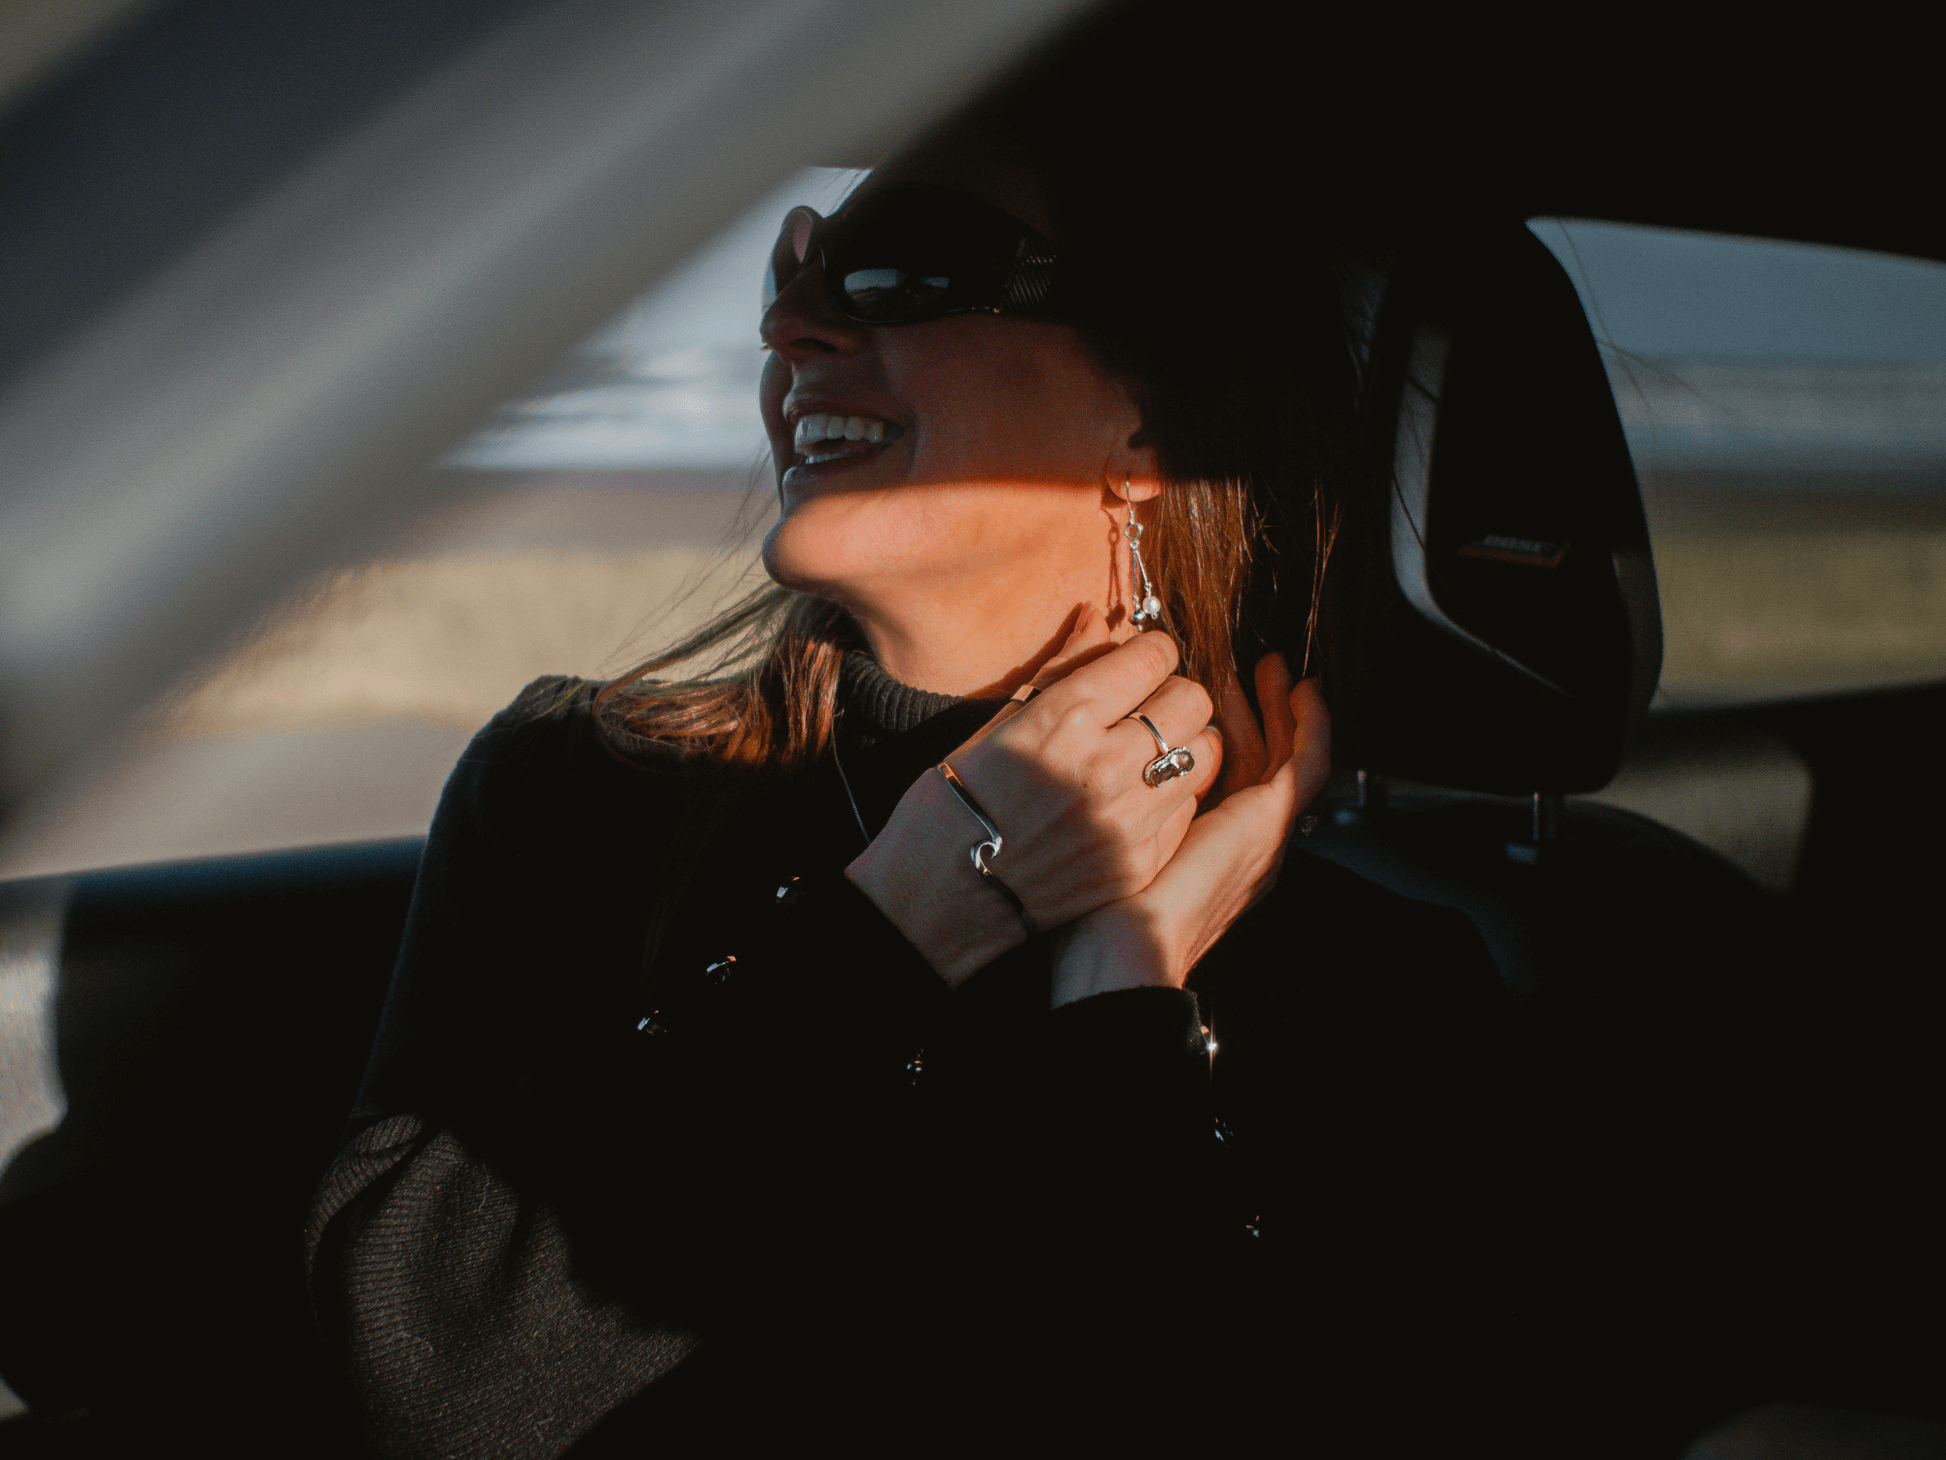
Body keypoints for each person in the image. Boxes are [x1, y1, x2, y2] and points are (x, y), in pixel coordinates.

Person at [303, 55, 1518, 1459]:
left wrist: (1122, 990)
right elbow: (427, 1377)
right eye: (798, 264)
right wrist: (906, 919)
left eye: (901, 270)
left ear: (1155, 417)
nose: (788, 323)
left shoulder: (1374, 981)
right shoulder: (577, 791)